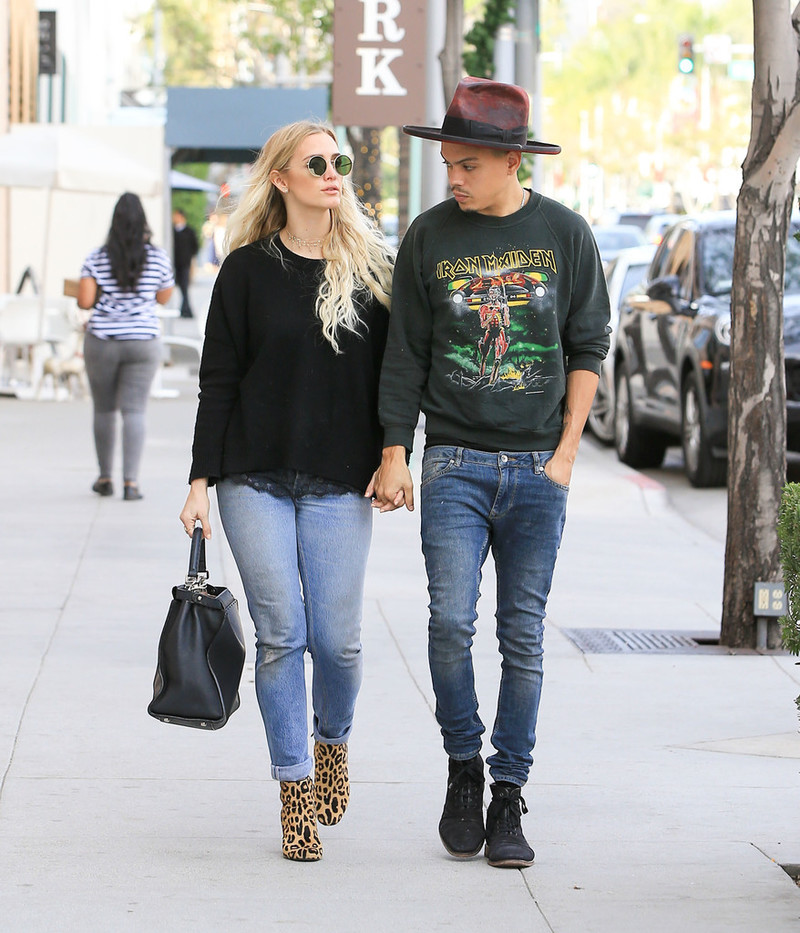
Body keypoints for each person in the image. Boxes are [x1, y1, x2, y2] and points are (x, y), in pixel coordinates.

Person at [367, 77, 610, 869]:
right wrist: (396, 451)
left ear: (512, 161)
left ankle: (508, 792)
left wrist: (567, 453)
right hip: (456, 463)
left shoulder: (566, 235)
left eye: (468, 166)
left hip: (540, 467)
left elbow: (586, 349)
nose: (455, 179)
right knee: (448, 624)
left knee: (523, 637)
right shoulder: (429, 237)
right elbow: (403, 352)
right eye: (449, 165)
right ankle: (463, 765)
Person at [179, 120, 393, 862]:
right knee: (283, 635)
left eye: (340, 162)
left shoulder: (370, 269)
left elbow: (395, 379)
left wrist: (397, 453)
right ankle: (294, 788)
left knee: (338, 642)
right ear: (282, 178)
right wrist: (200, 479)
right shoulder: (243, 272)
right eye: (317, 163)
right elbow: (219, 383)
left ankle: (332, 740)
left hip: (341, 481)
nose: (334, 173)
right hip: (254, 479)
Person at [78, 192, 174, 501]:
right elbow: (163, 297)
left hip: (103, 341)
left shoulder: (97, 258)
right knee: (135, 411)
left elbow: (85, 301)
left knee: (104, 409)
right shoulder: (158, 258)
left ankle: (105, 478)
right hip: (143, 341)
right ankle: (131, 484)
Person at [171, 208, 199, 318]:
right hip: (175, 263)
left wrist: (189, 256)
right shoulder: (172, 232)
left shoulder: (189, 231)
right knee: (182, 287)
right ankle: (185, 309)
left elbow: (195, 247)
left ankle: (186, 309)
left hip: (185, 263)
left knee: (184, 286)